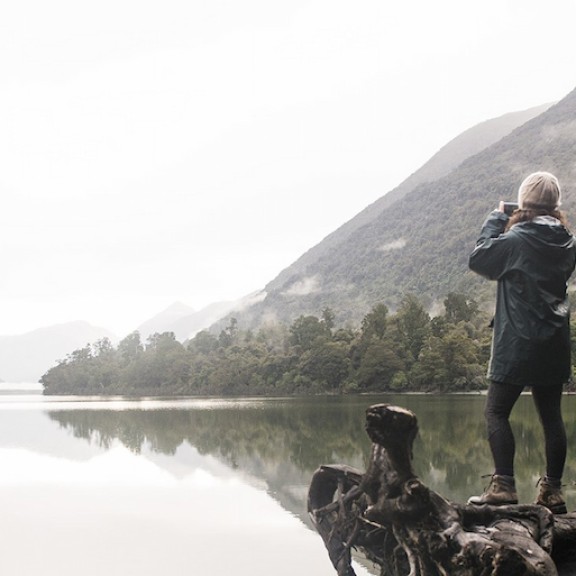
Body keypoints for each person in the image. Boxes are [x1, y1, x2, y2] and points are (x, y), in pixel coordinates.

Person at [467, 171, 576, 514]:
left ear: (523, 202)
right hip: (553, 343)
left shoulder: (515, 241)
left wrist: (497, 217)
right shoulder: (568, 241)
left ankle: (503, 486)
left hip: (516, 343)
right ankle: (553, 492)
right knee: (551, 418)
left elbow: (480, 258)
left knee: (497, 412)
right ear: (556, 205)